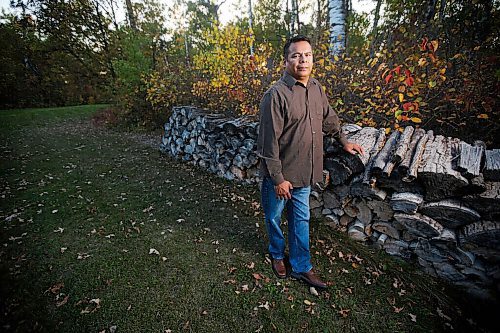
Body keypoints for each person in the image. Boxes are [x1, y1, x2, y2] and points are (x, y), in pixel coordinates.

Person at [257, 35, 364, 289]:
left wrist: (343, 141)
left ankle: (302, 266)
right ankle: (276, 254)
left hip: (305, 171)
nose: (302, 60)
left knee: (301, 219)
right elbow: (267, 143)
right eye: (296, 55)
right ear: (286, 61)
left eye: (307, 55)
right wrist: (278, 179)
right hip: (280, 175)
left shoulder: (316, 88)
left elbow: (328, 118)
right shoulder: (275, 96)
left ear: (313, 59)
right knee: (273, 216)